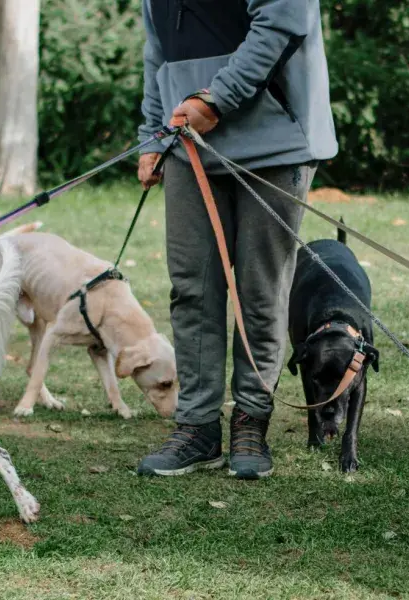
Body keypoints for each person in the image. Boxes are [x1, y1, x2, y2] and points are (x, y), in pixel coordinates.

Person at [135, 0, 338, 479]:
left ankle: (252, 421)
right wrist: (151, 136)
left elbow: (283, 21)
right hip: (187, 144)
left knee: (260, 291)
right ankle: (198, 426)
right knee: (191, 289)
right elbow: (157, 54)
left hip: (275, 141)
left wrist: (215, 100)